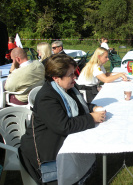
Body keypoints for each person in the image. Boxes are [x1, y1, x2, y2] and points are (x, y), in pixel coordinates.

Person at [18, 54, 106, 184]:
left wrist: (92, 108)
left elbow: (76, 105)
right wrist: (91, 118)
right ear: (56, 78)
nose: (74, 77)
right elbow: (64, 126)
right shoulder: (46, 98)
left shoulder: (67, 88)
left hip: (57, 138)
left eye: (74, 73)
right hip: (45, 149)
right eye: (70, 74)